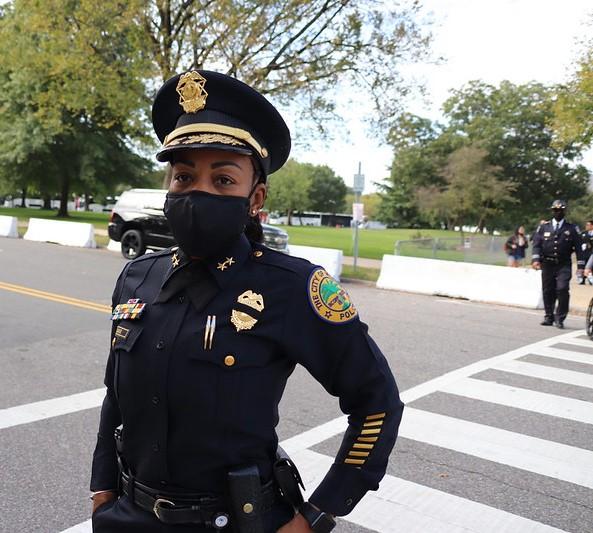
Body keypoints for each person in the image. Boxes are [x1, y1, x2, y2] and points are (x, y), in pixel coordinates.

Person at [89, 70, 403, 533]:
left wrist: (316, 515)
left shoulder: (293, 286)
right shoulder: (138, 277)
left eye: (222, 179)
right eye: (183, 176)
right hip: (128, 518)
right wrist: (102, 490)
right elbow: (116, 396)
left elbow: (376, 402)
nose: (198, 191)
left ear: (255, 197)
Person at [532, 199, 585, 328]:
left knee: (562, 289)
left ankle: (560, 318)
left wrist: (580, 266)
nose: (558, 213)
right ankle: (549, 316)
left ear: (564, 211)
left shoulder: (572, 228)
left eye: (560, 210)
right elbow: (537, 245)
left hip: (563, 264)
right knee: (548, 290)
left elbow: (579, 247)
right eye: (555, 210)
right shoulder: (544, 226)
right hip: (548, 264)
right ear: (552, 211)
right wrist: (535, 260)